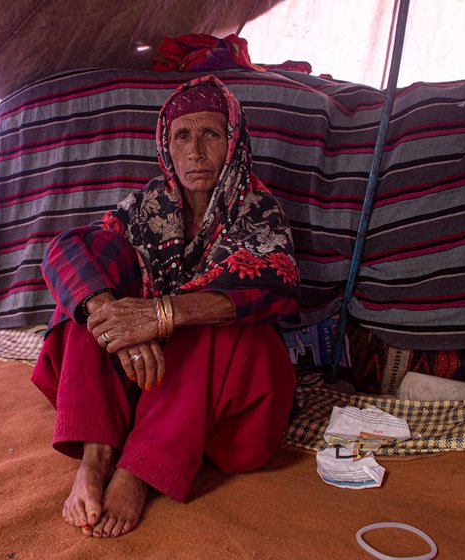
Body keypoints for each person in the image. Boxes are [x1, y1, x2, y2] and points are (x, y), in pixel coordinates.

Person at [32, 75, 301, 538]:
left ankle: (139, 470)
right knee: (91, 277)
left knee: (228, 319)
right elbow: (65, 250)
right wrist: (115, 325)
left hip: (216, 400)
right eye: (183, 135)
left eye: (211, 134)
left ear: (233, 140)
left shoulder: (260, 210)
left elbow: (275, 289)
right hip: (141, 380)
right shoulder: (145, 205)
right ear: (166, 145)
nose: (195, 150)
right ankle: (97, 455)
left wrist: (159, 317)